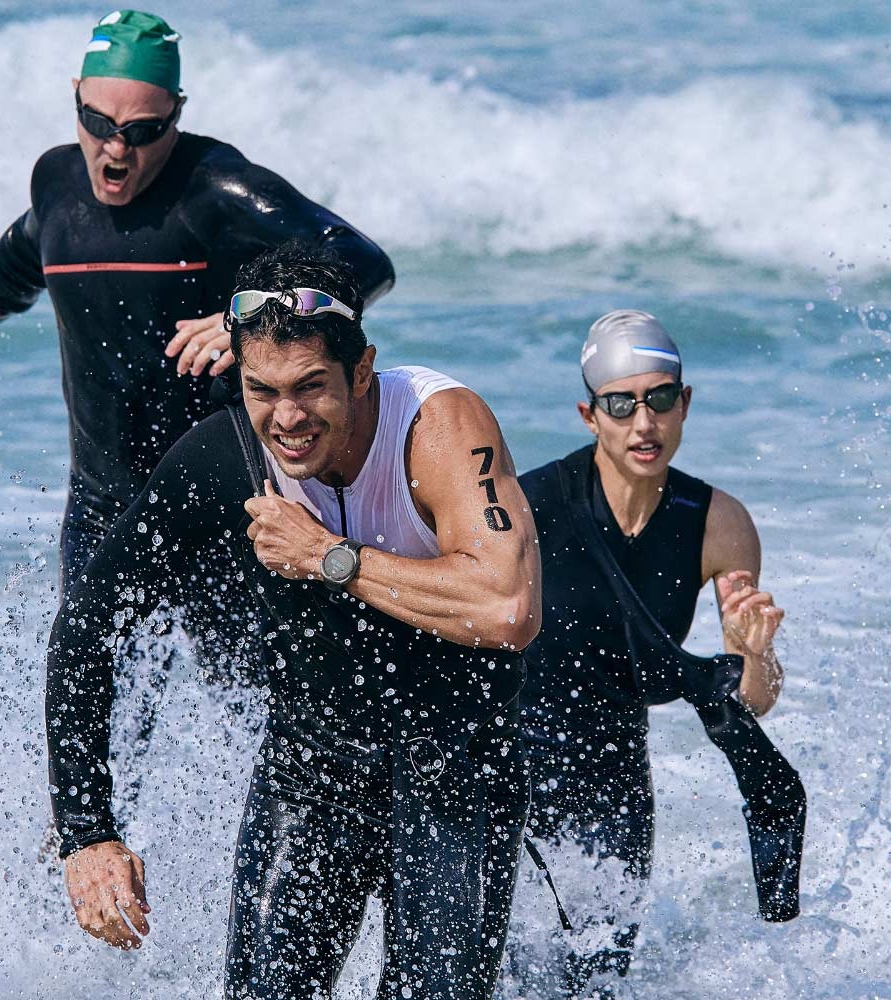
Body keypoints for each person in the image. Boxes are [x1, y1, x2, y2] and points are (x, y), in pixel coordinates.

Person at [46, 242, 540, 999]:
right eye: (261, 389)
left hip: (457, 772)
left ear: (363, 370)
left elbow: (508, 608)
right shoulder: (222, 458)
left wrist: (330, 557)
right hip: (312, 774)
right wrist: (87, 833)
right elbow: (88, 627)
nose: (287, 419)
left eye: (312, 387)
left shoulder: (439, 428)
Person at [0, 9, 393, 588]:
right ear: (76, 98)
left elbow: (362, 259)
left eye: (142, 130)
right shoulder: (56, 185)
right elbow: (7, 272)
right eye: (97, 121)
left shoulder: (215, 187)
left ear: (177, 112)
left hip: (222, 500)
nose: (116, 148)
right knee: (74, 671)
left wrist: (251, 316)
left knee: (256, 677)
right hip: (101, 504)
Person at [513, 310, 787, 997]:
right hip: (512, 765)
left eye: (660, 399)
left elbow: (749, 701)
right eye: (621, 404)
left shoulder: (718, 524)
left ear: (684, 403)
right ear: (589, 414)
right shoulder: (532, 506)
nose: (644, 423)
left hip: (616, 779)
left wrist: (757, 657)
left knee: (598, 983)